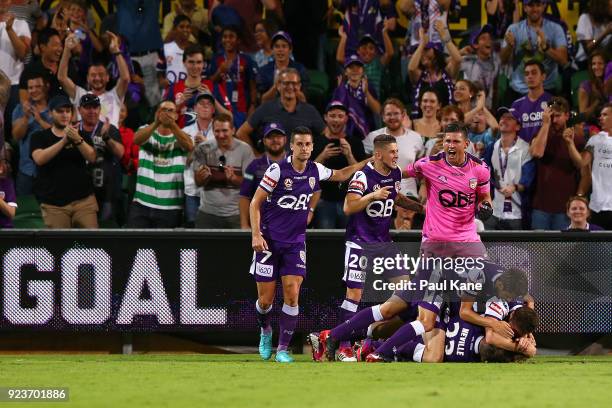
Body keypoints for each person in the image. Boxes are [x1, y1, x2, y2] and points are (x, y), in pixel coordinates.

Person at [321, 122, 503, 362]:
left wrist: (485, 205)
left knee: (406, 305)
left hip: (468, 243)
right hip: (435, 246)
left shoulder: (480, 169)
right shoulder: (429, 163)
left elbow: (484, 195)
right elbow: (393, 172)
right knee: (406, 309)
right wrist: (367, 177)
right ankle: (362, 345)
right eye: (447, 140)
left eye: (455, 141)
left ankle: (345, 339)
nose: (450, 145)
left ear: (466, 144)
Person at [249, 126, 370, 363]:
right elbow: (255, 203)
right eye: (300, 144)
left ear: (312, 147)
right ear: (291, 147)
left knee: (292, 295)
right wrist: (255, 235)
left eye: (308, 144)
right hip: (269, 242)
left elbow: (343, 174)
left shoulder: (316, 170)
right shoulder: (277, 170)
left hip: (295, 244)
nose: (304, 148)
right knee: (265, 301)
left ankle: (282, 349)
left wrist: (370, 161)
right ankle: (265, 330)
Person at [326, 134, 423, 361]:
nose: (396, 155)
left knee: (406, 294)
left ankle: (381, 338)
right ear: (378, 154)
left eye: (397, 151)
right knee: (354, 295)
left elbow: (396, 197)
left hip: (384, 243)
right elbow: (348, 207)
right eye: (392, 152)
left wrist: (422, 209)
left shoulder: (396, 173)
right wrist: (372, 195)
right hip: (359, 242)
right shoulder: (362, 176)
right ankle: (343, 347)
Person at [30, 95, 98, 228]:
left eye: (68, 111)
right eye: (60, 111)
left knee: (92, 244)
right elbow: (39, 159)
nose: (65, 115)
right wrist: (63, 141)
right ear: (50, 113)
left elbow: (92, 157)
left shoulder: (81, 136)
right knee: (58, 247)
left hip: (84, 202)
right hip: (54, 205)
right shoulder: (39, 136)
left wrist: (77, 140)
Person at [128, 101, 194, 228]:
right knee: (135, 245)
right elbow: (136, 139)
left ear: (176, 116)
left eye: (171, 111)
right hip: (142, 203)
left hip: (170, 206)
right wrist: (157, 122)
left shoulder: (183, 136)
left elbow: (190, 146)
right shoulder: (146, 130)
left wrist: (172, 125)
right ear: (157, 113)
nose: (167, 113)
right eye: (163, 110)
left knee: (164, 248)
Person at [236, 68, 325, 152]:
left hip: (301, 165)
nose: (290, 87)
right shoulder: (266, 108)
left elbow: (326, 134)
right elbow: (241, 133)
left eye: (294, 83)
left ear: (299, 86)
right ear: (278, 86)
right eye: (286, 83)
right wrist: (256, 155)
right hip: (273, 165)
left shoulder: (310, 110)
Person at [529, 97, 585, 230]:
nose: (554, 120)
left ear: (567, 115)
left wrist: (570, 144)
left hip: (565, 207)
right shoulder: (541, 134)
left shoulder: (577, 138)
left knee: (562, 249)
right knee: (538, 249)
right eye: (551, 116)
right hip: (541, 206)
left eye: (558, 116)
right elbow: (537, 153)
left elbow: (580, 165)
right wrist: (545, 125)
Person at [193, 113, 254, 228]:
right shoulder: (203, 148)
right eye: (217, 131)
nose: (221, 135)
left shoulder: (245, 150)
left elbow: (250, 181)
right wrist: (201, 177)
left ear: (233, 130)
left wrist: (234, 178)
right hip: (207, 214)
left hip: (235, 215)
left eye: (225, 131)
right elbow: (197, 182)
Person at [312, 100, 367, 229]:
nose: (336, 120)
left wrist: (349, 155)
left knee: (348, 240)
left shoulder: (355, 143)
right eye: (332, 116)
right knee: (326, 242)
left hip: (349, 200)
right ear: (325, 117)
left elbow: (362, 175)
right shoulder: (316, 142)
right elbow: (307, 172)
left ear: (346, 118)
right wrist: (322, 156)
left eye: (340, 116)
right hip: (323, 200)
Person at [58, 31, 130, 127]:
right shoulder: (80, 94)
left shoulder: (114, 95)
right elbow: (62, 78)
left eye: (101, 74)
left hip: (110, 140)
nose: (97, 78)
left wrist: (116, 51)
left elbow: (125, 79)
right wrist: (67, 49)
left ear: (108, 77)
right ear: (87, 78)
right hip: (84, 141)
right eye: (93, 75)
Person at [500, 0, 568, 96]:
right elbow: (502, 60)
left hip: (547, 89)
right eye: (531, 5)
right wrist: (509, 46)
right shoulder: (514, 29)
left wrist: (546, 48)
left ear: (544, 6)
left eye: (538, 5)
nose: (535, 9)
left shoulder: (556, 29)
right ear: (524, 8)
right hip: (519, 89)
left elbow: (563, 60)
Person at [76, 93, 125, 226]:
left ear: (99, 109)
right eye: (87, 107)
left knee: (105, 233)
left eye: (95, 107)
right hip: (79, 193)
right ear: (79, 110)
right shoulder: (73, 131)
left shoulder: (109, 129)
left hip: (105, 192)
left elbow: (120, 153)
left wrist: (106, 138)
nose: (92, 111)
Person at [364, 98, 424, 199]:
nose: (392, 117)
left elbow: (421, 168)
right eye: (388, 114)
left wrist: (423, 186)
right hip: (381, 195)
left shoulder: (416, 138)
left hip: (409, 196)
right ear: (383, 117)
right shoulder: (372, 137)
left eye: (396, 113)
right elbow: (364, 165)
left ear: (403, 115)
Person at [485, 107, 534, 230]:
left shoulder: (526, 149)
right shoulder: (491, 147)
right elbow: (483, 173)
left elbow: (528, 179)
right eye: (502, 117)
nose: (504, 120)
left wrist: (515, 187)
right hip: (494, 211)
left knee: (515, 249)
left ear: (518, 127)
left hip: (516, 213)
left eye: (510, 118)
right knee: (488, 248)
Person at [163, 44, 233, 129]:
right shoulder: (173, 88)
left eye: (199, 62)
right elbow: (162, 119)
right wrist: (179, 104)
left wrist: (212, 99)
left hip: (208, 139)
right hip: (182, 139)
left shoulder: (213, 87)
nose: (195, 66)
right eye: (191, 62)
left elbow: (229, 117)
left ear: (203, 64)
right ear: (184, 63)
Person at [239, 122, 287, 229]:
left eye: (278, 136)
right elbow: (244, 196)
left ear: (285, 139)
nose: (275, 140)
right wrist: (244, 224)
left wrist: (310, 211)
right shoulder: (254, 166)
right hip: (262, 224)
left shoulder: (295, 163)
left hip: (289, 224)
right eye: (270, 137)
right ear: (264, 141)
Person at [209, 25, 258, 128]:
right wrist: (220, 71)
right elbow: (209, 84)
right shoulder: (216, 59)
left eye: (231, 36)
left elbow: (252, 85)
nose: (227, 40)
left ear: (238, 40)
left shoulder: (246, 59)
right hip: (221, 108)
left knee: (240, 137)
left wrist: (253, 105)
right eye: (225, 37)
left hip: (241, 108)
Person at [116, 0, 163, 107]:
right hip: (126, 56)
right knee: (128, 98)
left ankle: (154, 122)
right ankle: (125, 123)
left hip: (149, 54)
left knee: (153, 99)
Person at [12, 73, 51, 196]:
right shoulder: (20, 109)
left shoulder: (55, 109)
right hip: (26, 171)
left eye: (38, 86)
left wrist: (40, 120)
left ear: (46, 87)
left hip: (49, 171)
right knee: (24, 212)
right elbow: (16, 136)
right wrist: (25, 117)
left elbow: (59, 135)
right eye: (30, 88)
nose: (34, 90)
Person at [407, 26, 460, 116]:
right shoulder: (420, 75)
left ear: (437, 52)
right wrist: (422, 44)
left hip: (445, 122)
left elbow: (457, 59)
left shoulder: (447, 72)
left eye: (426, 49)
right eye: (421, 50)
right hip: (421, 124)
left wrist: (445, 38)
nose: (422, 52)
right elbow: (411, 68)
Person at [181, 91, 216, 227]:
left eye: (209, 104)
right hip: (192, 189)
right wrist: (195, 149)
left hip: (214, 190)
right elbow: (183, 163)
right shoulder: (185, 131)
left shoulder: (220, 132)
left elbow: (223, 161)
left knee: (213, 228)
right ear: (195, 109)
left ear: (213, 110)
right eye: (201, 103)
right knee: (192, 227)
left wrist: (206, 144)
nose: (205, 106)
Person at [575, 103, 612, 230]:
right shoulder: (594, 140)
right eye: (600, 115)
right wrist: (569, 144)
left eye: (605, 115)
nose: (600, 118)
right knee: (597, 248)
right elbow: (581, 162)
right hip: (597, 207)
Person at [336, 20, 394, 98]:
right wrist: (344, 37)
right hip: (356, 100)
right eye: (364, 47)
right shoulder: (353, 63)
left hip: (373, 102)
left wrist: (384, 32)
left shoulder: (378, 63)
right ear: (358, 51)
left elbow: (390, 54)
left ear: (375, 52)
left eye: (371, 48)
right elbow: (340, 58)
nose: (367, 51)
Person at [18, 28, 76, 104]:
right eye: (55, 45)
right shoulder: (30, 72)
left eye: (61, 45)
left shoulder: (68, 68)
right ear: (43, 47)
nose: (60, 49)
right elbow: (24, 103)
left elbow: (77, 96)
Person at [332, 54, 381, 140]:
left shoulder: (369, 87)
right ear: (345, 72)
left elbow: (378, 110)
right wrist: (340, 93)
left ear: (362, 71)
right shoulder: (340, 89)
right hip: (345, 134)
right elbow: (334, 112)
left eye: (358, 68)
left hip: (367, 133)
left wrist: (366, 93)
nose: (355, 70)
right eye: (351, 68)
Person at [257, 31, 308, 103]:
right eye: (277, 46)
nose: (280, 50)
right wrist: (275, 86)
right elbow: (262, 101)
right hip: (271, 110)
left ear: (290, 50)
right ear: (272, 50)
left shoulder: (300, 69)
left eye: (284, 46)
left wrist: (291, 85)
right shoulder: (264, 71)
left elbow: (303, 99)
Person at [459, 24, 501, 109]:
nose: (488, 41)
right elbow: (444, 63)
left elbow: (495, 88)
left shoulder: (495, 63)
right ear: (475, 44)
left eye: (490, 38)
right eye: (483, 38)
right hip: (471, 109)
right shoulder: (469, 61)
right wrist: (460, 53)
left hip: (487, 110)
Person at [510, 59, 552, 143]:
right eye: (526, 74)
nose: (530, 76)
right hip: (522, 153)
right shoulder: (516, 105)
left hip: (546, 151)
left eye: (534, 73)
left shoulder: (552, 101)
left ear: (543, 76)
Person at [158, 14, 194, 88]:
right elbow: (159, 70)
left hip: (189, 91)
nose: (185, 30)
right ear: (174, 29)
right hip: (170, 92)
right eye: (181, 27)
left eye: (188, 27)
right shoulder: (165, 48)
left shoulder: (195, 49)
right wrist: (161, 80)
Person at [575, 0, 611, 70]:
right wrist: (604, 34)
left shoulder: (607, 19)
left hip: (605, 60)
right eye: (610, 7)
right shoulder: (585, 18)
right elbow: (588, 48)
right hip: (586, 62)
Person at [578, 50, 608, 125]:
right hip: (593, 128)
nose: (596, 67)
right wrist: (597, 102)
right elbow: (582, 119)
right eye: (593, 64)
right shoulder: (585, 87)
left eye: (600, 63)